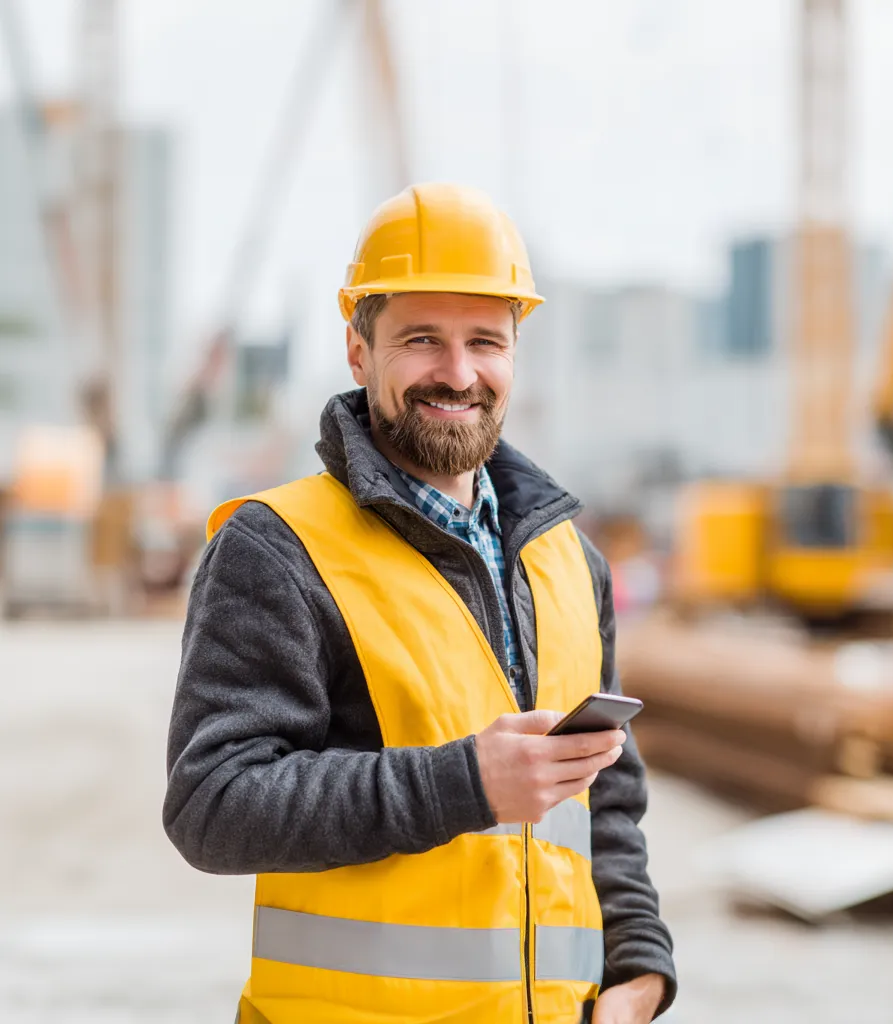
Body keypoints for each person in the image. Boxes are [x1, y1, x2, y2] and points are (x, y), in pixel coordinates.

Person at [163, 182, 676, 1024]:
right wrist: (465, 782)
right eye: (422, 339)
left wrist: (639, 968)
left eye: (485, 340)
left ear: (515, 353)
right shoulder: (278, 549)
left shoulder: (568, 561)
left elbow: (604, 800)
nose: (459, 372)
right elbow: (212, 805)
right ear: (360, 353)